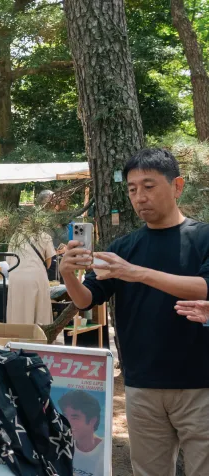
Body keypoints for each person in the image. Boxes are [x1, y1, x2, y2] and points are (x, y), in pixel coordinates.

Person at [60, 148, 209, 476]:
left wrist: (136, 273)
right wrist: (68, 274)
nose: (139, 197)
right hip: (142, 384)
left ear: (177, 186)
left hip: (200, 383)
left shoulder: (203, 237)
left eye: (149, 186)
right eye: (131, 189)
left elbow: (204, 287)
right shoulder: (122, 249)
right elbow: (87, 299)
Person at [5, 226, 57, 325]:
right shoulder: (45, 236)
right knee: (39, 311)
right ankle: (37, 337)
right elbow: (49, 264)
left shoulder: (15, 236)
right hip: (36, 275)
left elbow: (9, 260)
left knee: (17, 309)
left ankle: (17, 337)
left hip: (16, 276)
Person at [59, 390, 104, 476]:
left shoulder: (104, 452)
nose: (67, 423)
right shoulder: (63, 446)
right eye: (65, 416)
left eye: (75, 418)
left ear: (92, 421)